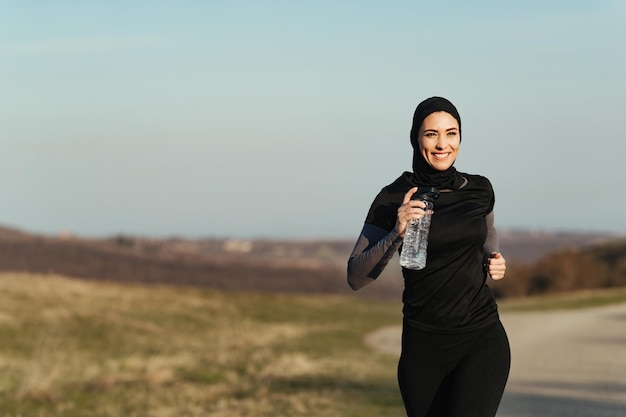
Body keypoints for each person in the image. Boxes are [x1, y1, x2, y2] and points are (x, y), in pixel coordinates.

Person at [347, 97, 510, 417]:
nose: (442, 144)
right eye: (431, 134)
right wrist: (397, 231)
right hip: (423, 349)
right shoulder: (393, 196)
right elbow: (355, 277)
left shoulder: (479, 189)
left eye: (451, 133)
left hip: (481, 337)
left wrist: (493, 258)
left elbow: (487, 231)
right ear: (415, 137)